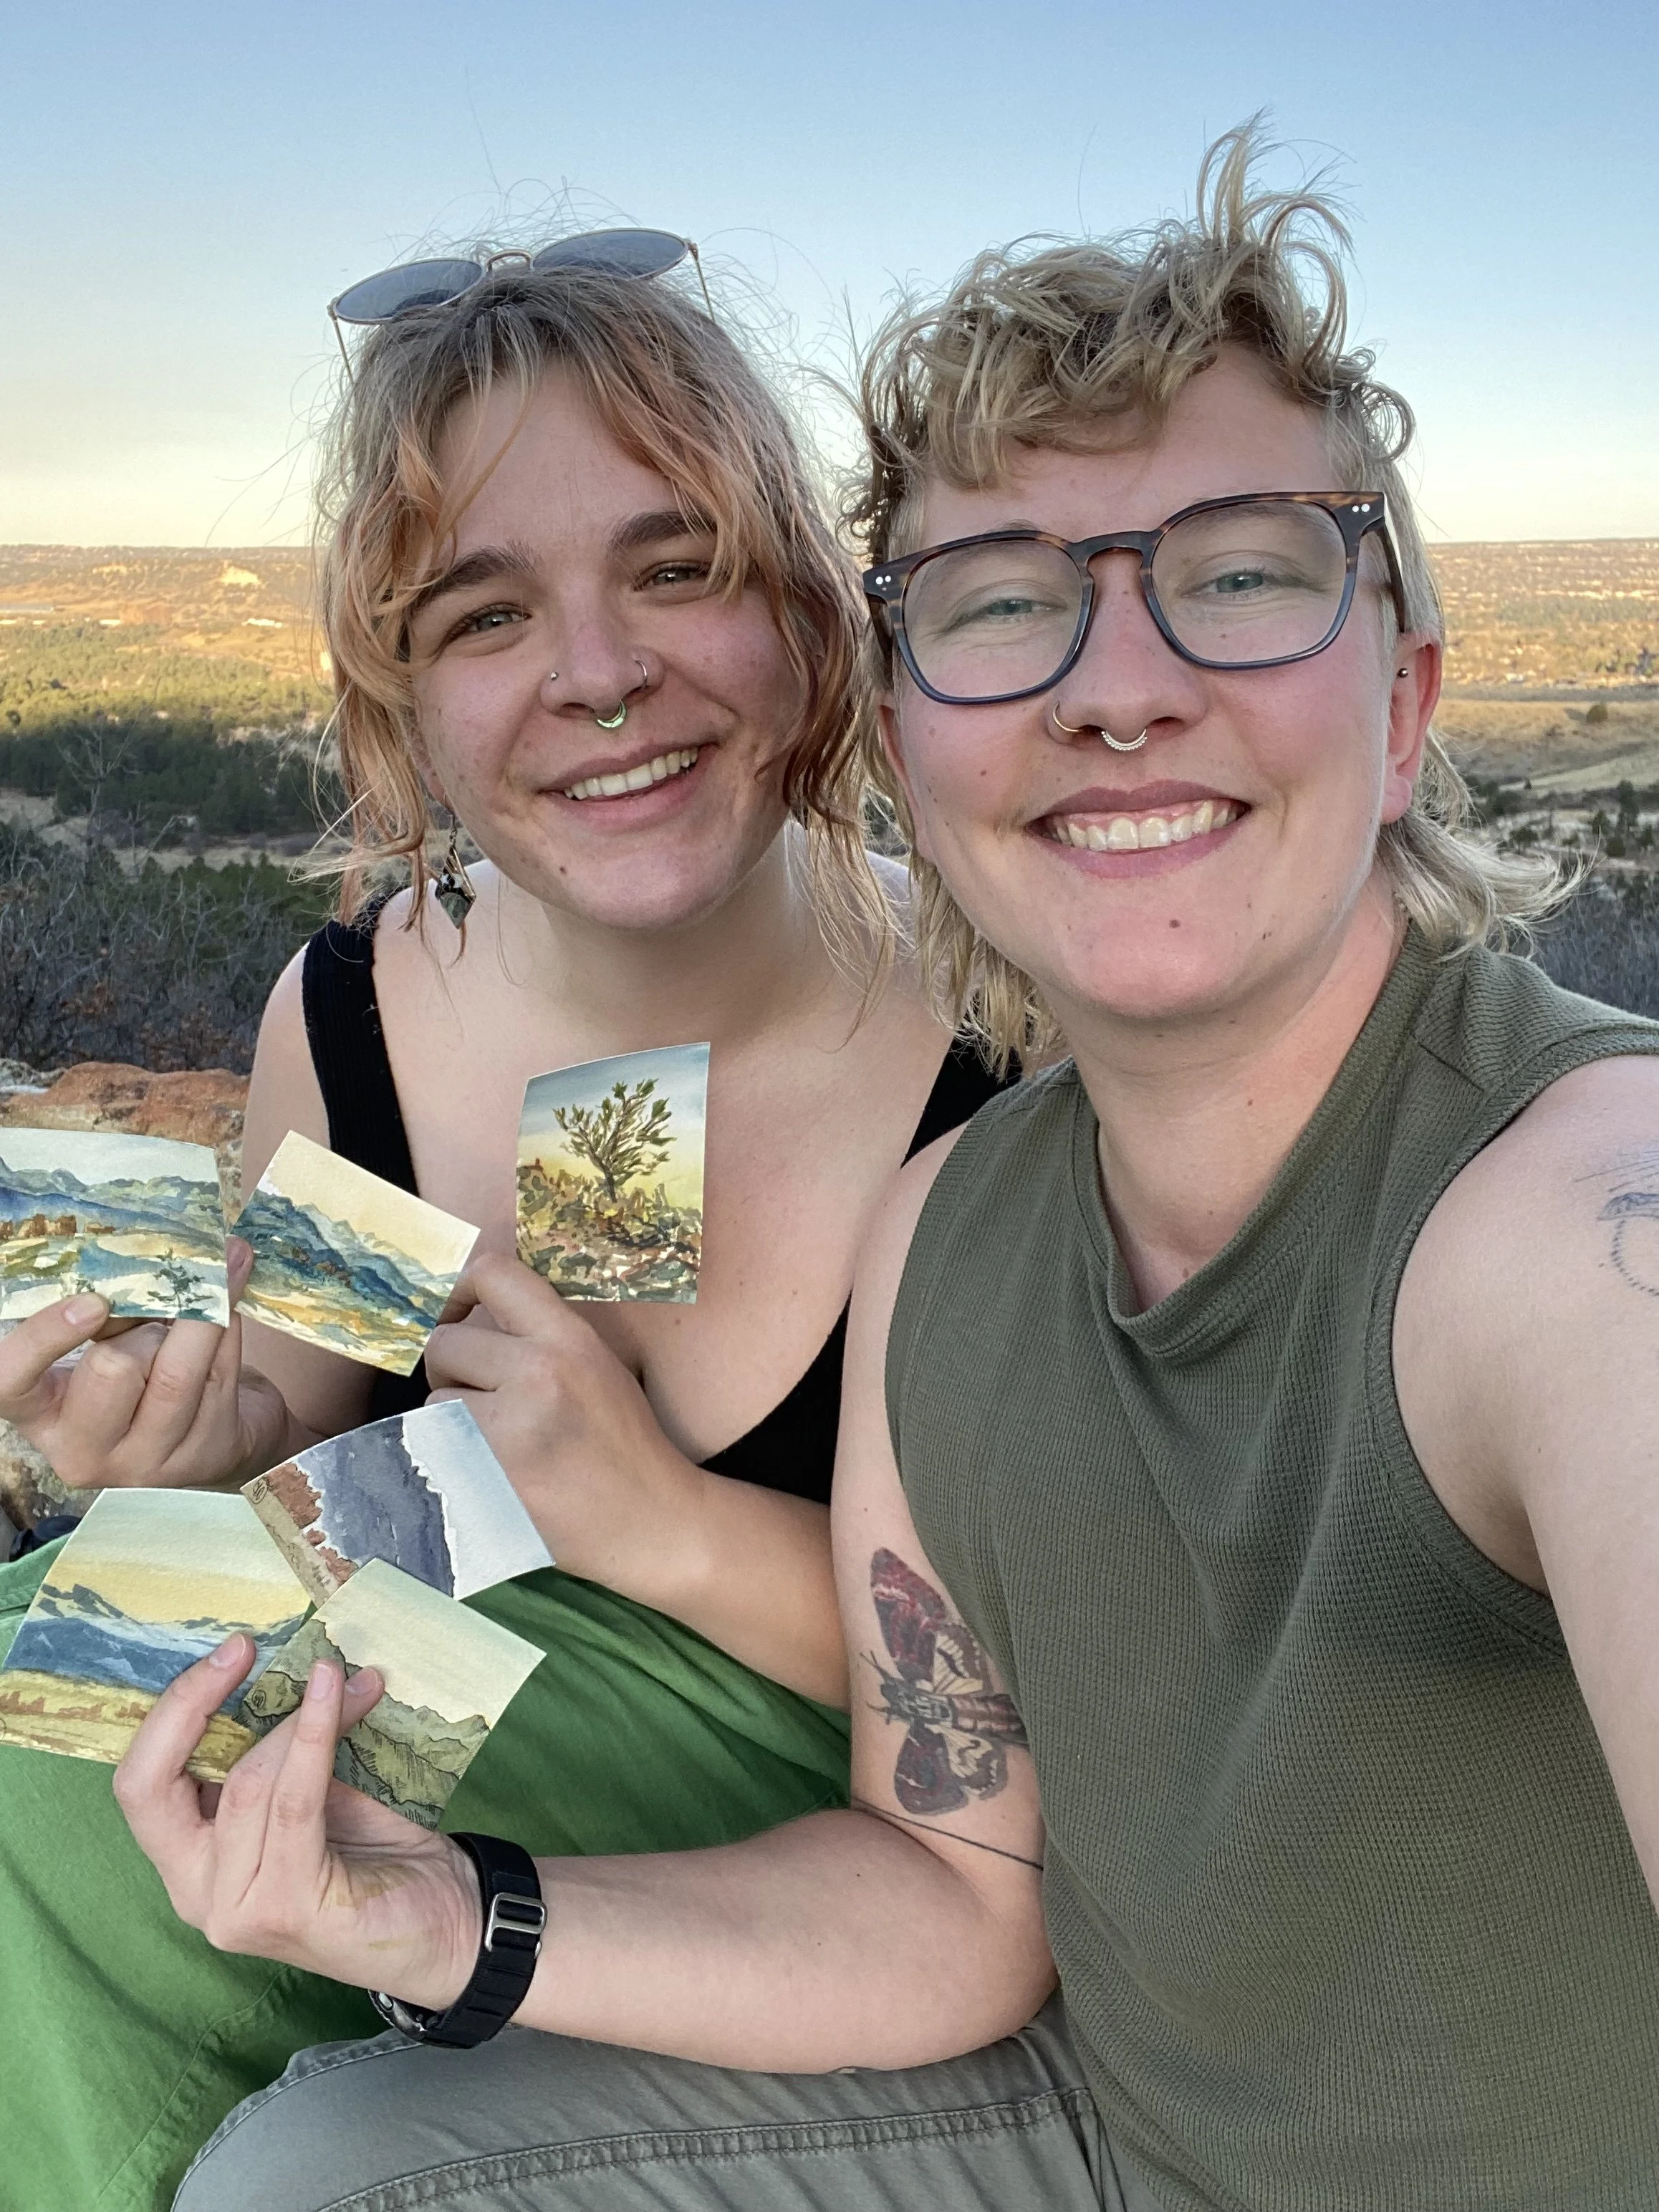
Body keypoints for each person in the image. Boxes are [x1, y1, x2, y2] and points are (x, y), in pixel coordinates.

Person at [125, 132, 1659, 2212]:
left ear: (1403, 708)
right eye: (1010, 604)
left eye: (1235, 573)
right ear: (915, 715)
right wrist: (429, 1899)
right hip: (1052, 2081)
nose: (1119, 692)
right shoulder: (957, 1217)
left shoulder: (1571, 1222)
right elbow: (951, 1882)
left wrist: (645, 1519)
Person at [0, 241, 1009, 2212]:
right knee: (39, 1658)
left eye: (674, 564)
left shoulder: (997, 1037)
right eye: (484, 609)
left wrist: (648, 1515)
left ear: (803, 601)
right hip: (440, 1639)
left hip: (865, 1826)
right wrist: (164, 1431)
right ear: (400, 692)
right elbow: (305, 1424)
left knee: (46, 1793)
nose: (596, 671)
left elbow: (1032, 1702)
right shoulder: (362, 1005)